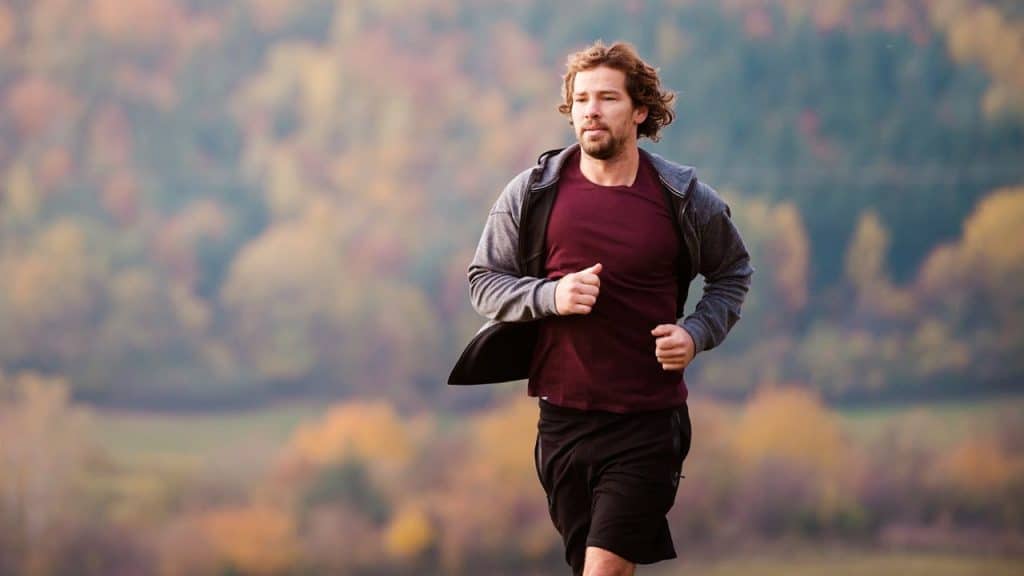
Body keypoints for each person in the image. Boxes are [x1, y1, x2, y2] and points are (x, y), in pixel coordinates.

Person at [449, 40, 753, 576]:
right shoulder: (532, 194)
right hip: (562, 421)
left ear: (640, 110)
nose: (591, 109)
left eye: (608, 98)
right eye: (581, 98)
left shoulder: (682, 198)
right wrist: (550, 296)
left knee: (604, 572)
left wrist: (697, 333)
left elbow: (732, 274)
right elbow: (484, 283)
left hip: (647, 421)